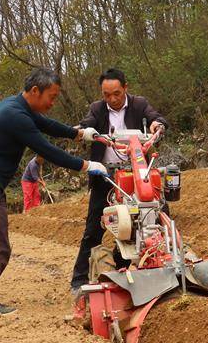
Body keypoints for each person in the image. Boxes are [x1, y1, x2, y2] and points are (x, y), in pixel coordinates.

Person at [0, 68, 107, 317]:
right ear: (35, 91)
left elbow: (48, 125)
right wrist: (86, 166)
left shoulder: (16, 106)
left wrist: (77, 133)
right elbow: (46, 148)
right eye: (51, 97)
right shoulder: (16, 116)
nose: (53, 103)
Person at [70, 68, 168, 296]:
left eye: (116, 93)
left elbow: (157, 118)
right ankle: (79, 280)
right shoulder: (97, 109)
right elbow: (87, 123)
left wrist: (157, 125)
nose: (112, 99)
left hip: (137, 174)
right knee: (94, 228)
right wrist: (83, 131)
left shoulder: (139, 104)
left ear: (125, 87)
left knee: (157, 219)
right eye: (107, 95)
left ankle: (161, 267)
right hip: (106, 176)